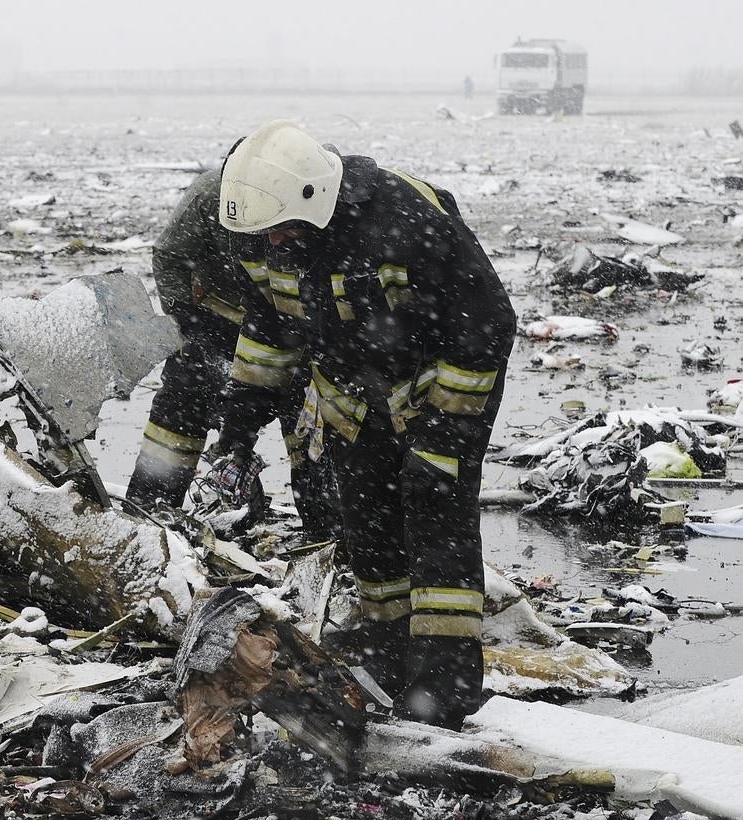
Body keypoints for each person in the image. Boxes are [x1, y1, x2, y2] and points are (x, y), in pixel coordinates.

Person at [211, 120, 516, 728]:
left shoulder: (406, 221)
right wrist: (237, 435)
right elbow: (270, 333)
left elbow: (485, 326)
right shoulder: (263, 236)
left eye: (281, 232)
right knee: (368, 523)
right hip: (352, 396)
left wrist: (441, 438)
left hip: (440, 387)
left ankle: (444, 687)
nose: (273, 245)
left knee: (436, 519)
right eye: (262, 236)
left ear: (313, 201)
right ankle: (389, 655)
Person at [126, 166, 339, 539]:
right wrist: (186, 323)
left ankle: (326, 531)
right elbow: (169, 255)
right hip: (215, 317)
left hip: (289, 323)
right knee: (181, 404)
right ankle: (147, 514)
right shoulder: (209, 195)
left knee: (306, 420)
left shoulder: (312, 199)